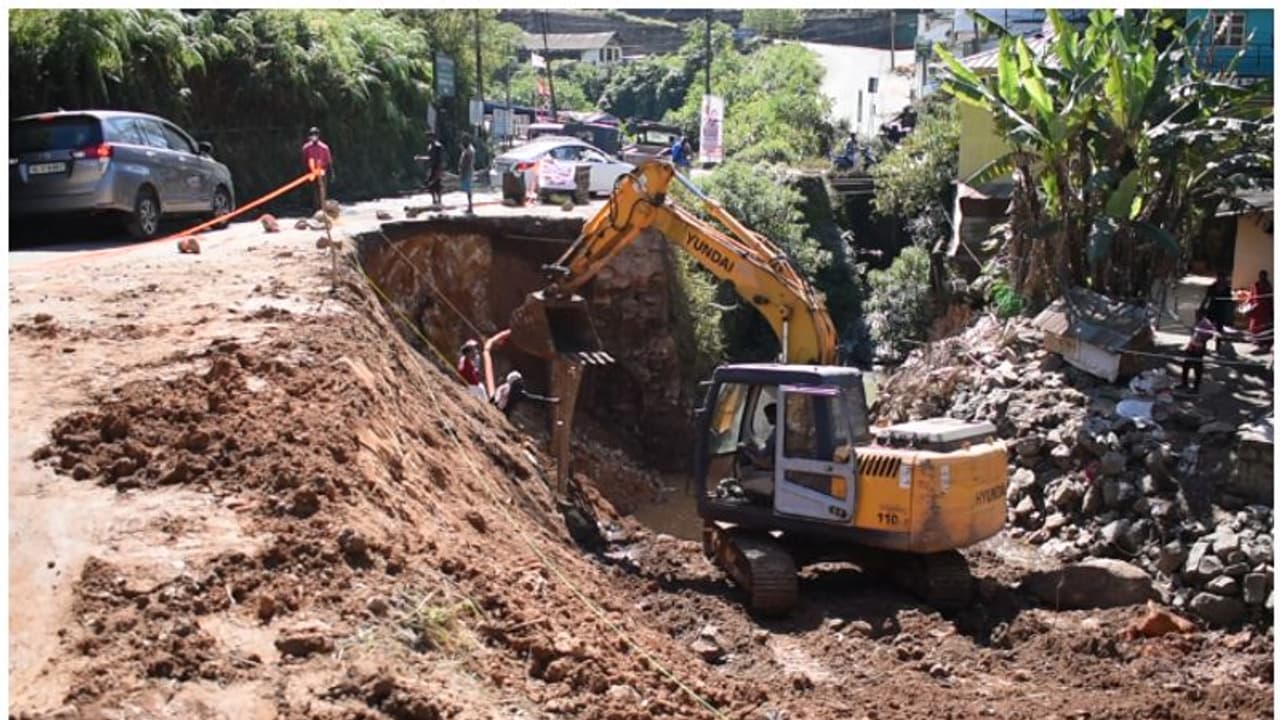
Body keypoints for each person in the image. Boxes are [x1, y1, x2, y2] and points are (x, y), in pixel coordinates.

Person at [1179, 311, 1217, 392]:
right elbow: (1194, 333)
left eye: (1198, 314)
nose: (1196, 316)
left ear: (1202, 314)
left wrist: (1202, 338)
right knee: (1186, 365)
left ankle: (1196, 387)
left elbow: (1211, 334)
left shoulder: (1206, 323)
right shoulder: (1198, 322)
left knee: (1197, 368)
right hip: (1192, 346)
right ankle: (1184, 383)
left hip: (1199, 348)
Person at [492, 370, 557, 417]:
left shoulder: (520, 394)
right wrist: (496, 402)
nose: (520, 384)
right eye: (517, 382)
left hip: (504, 414)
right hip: (496, 411)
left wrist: (551, 400)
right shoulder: (504, 388)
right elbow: (496, 397)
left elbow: (535, 398)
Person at [1199, 271, 1235, 354]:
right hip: (1211, 310)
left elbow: (1229, 301)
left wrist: (1231, 313)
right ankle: (1203, 347)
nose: (1220, 280)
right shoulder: (1212, 287)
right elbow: (1207, 298)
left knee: (1219, 330)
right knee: (1206, 329)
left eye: (1222, 278)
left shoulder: (1227, 289)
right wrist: (1202, 307)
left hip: (1221, 312)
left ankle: (1218, 348)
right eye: (1219, 278)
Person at [301, 126, 333, 212]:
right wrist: (305, 173)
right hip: (311, 172)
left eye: (315, 134)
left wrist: (331, 173)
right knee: (313, 190)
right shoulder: (306, 147)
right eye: (312, 135)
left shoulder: (324, 147)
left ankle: (323, 208)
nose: (313, 136)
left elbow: (329, 161)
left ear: (318, 136)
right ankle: (315, 209)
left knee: (322, 190)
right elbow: (304, 160)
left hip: (322, 172)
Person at [741, 403, 778, 470]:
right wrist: (753, 448)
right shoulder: (778, 430)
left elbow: (764, 454)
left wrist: (748, 451)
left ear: (774, 416)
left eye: (768, 416)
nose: (768, 419)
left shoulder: (777, 433)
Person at [1245, 269, 1273, 353]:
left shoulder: (1268, 285)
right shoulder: (1255, 284)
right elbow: (1251, 296)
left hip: (1264, 309)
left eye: (1263, 276)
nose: (1262, 277)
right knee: (1253, 326)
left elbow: (1270, 298)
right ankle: (1256, 341)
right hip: (1256, 308)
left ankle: (1263, 343)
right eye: (1261, 275)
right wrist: (1247, 305)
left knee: (1263, 327)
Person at [424, 130, 444, 207]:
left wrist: (440, 169)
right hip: (432, 167)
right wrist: (421, 158)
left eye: (429, 137)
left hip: (437, 167)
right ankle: (434, 200)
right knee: (430, 185)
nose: (428, 139)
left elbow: (440, 158)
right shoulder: (430, 146)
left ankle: (439, 201)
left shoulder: (437, 146)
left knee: (437, 184)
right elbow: (430, 158)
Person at [458, 134, 476, 214]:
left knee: (468, 190)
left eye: (464, 140)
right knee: (468, 190)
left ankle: (470, 207)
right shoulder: (468, 149)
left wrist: (462, 172)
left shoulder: (469, 150)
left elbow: (466, 162)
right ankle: (469, 206)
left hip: (467, 171)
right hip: (467, 171)